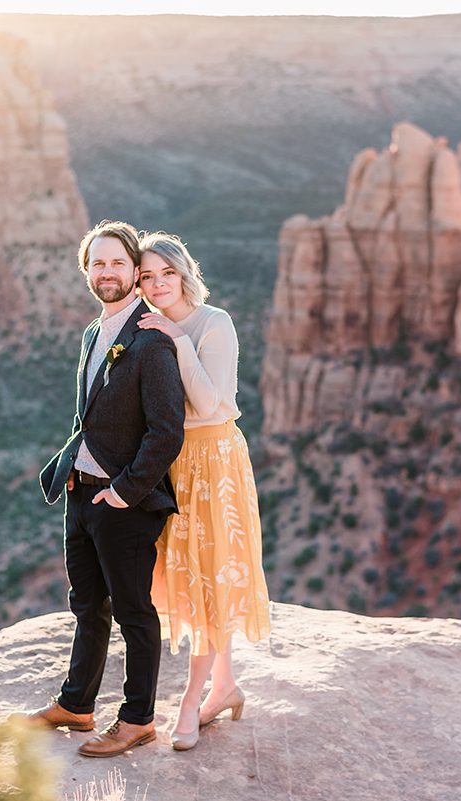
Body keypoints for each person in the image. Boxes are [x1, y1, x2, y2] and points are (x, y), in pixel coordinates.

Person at [23, 220, 185, 759]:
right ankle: (76, 704)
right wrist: (74, 466)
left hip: (125, 500)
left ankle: (138, 719)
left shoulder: (151, 337)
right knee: (87, 603)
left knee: (134, 610)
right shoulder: (94, 333)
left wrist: (124, 491)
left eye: (117, 263)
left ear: (134, 273)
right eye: (98, 263)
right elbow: (87, 415)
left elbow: (167, 431)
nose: (107, 272)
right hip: (82, 491)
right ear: (87, 271)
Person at [134, 231, 271, 751]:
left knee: (211, 574)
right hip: (173, 463)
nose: (158, 283)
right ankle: (227, 685)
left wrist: (176, 339)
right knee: (193, 575)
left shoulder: (215, 324)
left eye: (167, 272)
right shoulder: (148, 325)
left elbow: (214, 405)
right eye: (147, 276)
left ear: (184, 271)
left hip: (214, 461)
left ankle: (192, 701)